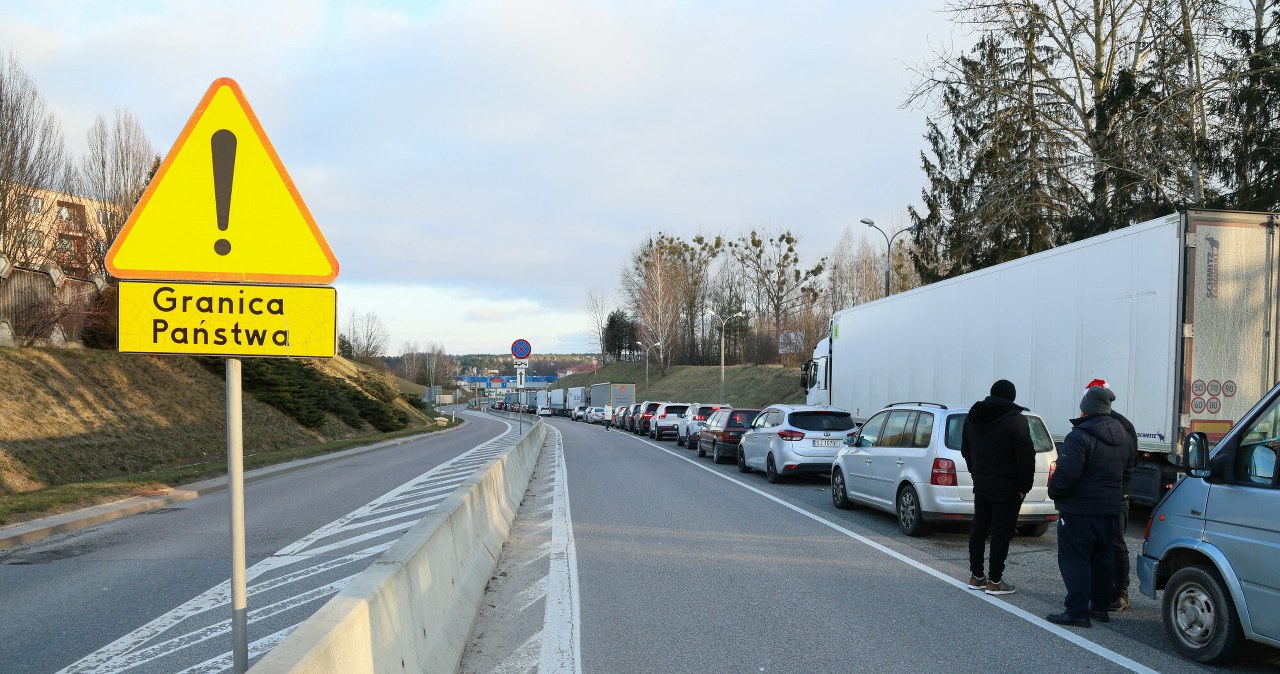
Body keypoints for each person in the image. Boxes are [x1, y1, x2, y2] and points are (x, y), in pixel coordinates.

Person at [1046, 385, 1134, 628]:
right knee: (1103, 559)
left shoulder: (1079, 436)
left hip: (1079, 510)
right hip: (1109, 509)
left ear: (1086, 410)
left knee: (1075, 560)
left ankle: (1076, 611)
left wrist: (1054, 492)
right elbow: (1127, 471)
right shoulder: (1124, 436)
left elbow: (1068, 474)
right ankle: (1099, 607)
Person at [960, 379, 1035, 596]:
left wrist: (975, 471)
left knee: (979, 528)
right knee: (1001, 532)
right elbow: (1026, 458)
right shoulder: (1016, 421)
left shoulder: (973, 417)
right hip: (1008, 487)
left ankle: (976, 576)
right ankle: (994, 580)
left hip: (982, 483)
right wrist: (1024, 487)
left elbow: (965, 448)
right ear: (1011, 397)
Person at [1082, 379, 1139, 611]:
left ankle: (1119, 592)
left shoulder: (1121, 426)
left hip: (1112, 496)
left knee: (1114, 543)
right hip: (1109, 495)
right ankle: (1101, 591)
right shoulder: (1114, 423)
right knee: (1101, 544)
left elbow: (1130, 462)